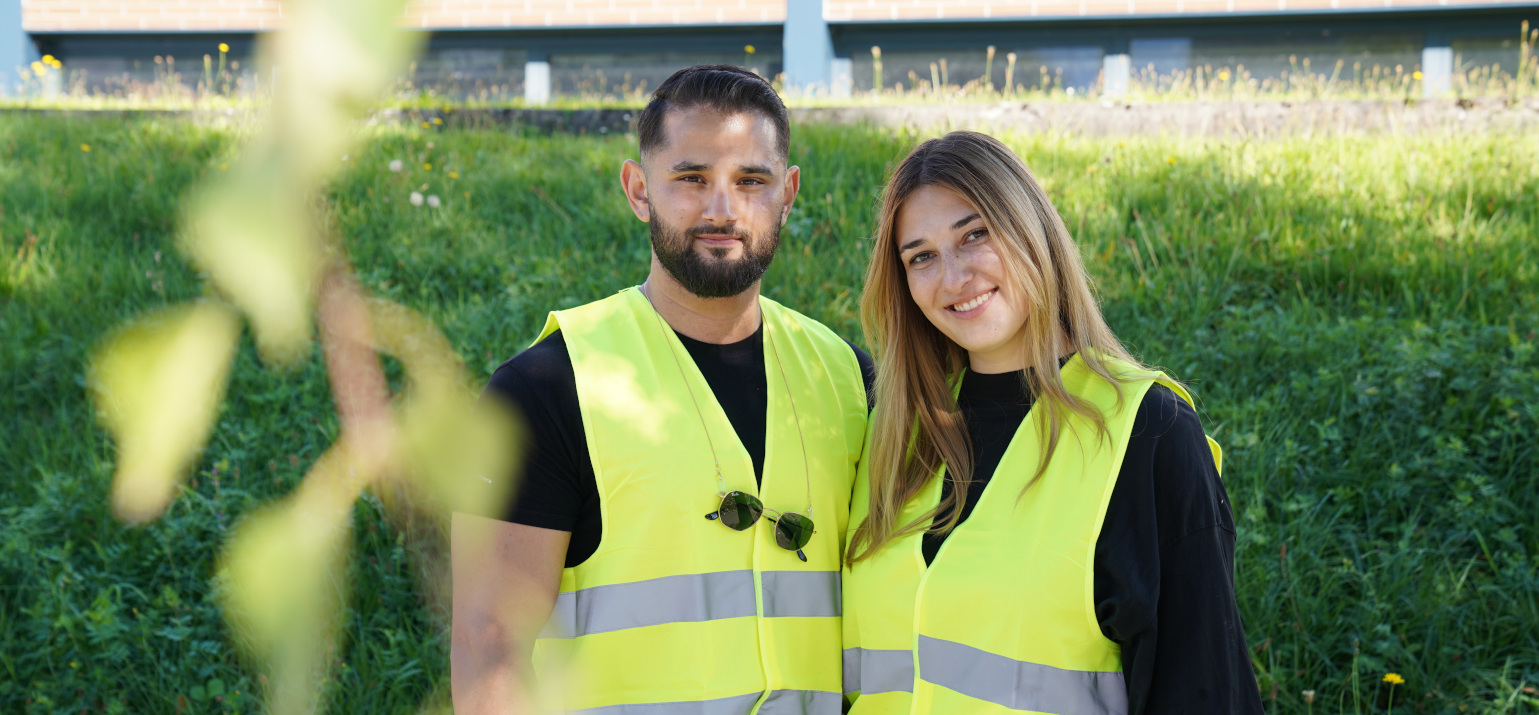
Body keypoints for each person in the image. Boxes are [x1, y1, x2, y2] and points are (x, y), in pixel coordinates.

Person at [451, 65, 873, 714]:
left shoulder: (850, 378)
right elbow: (489, 652)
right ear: (638, 189)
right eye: (691, 177)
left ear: (787, 193)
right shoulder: (544, 387)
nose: (722, 209)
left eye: (751, 181)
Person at [841, 131, 1263, 714]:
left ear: (1030, 230)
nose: (954, 276)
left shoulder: (1146, 432)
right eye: (921, 257)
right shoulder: (896, 434)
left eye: (975, 235)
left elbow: (1204, 690)